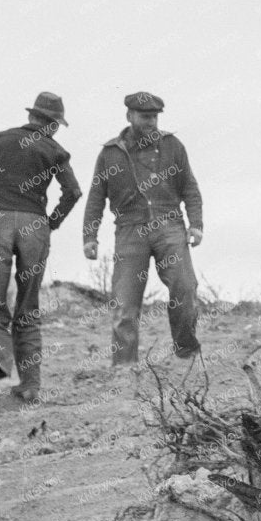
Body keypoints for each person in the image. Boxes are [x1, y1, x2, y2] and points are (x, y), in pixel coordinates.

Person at [0, 92, 82, 407]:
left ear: (32, 116)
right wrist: (52, 222)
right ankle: (27, 386)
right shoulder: (55, 150)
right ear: (52, 124)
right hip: (35, 227)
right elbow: (73, 192)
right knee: (28, 306)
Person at [82, 91, 204, 365]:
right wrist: (89, 236)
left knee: (184, 288)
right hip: (129, 230)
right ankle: (124, 369)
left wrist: (195, 224)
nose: (151, 122)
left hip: (169, 225)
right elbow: (95, 197)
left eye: (154, 117)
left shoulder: (174, 147)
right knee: (125, 304)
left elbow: (190, 188)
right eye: (144, 116)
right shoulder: (110, 154)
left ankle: (186, 352)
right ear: (129, 116)